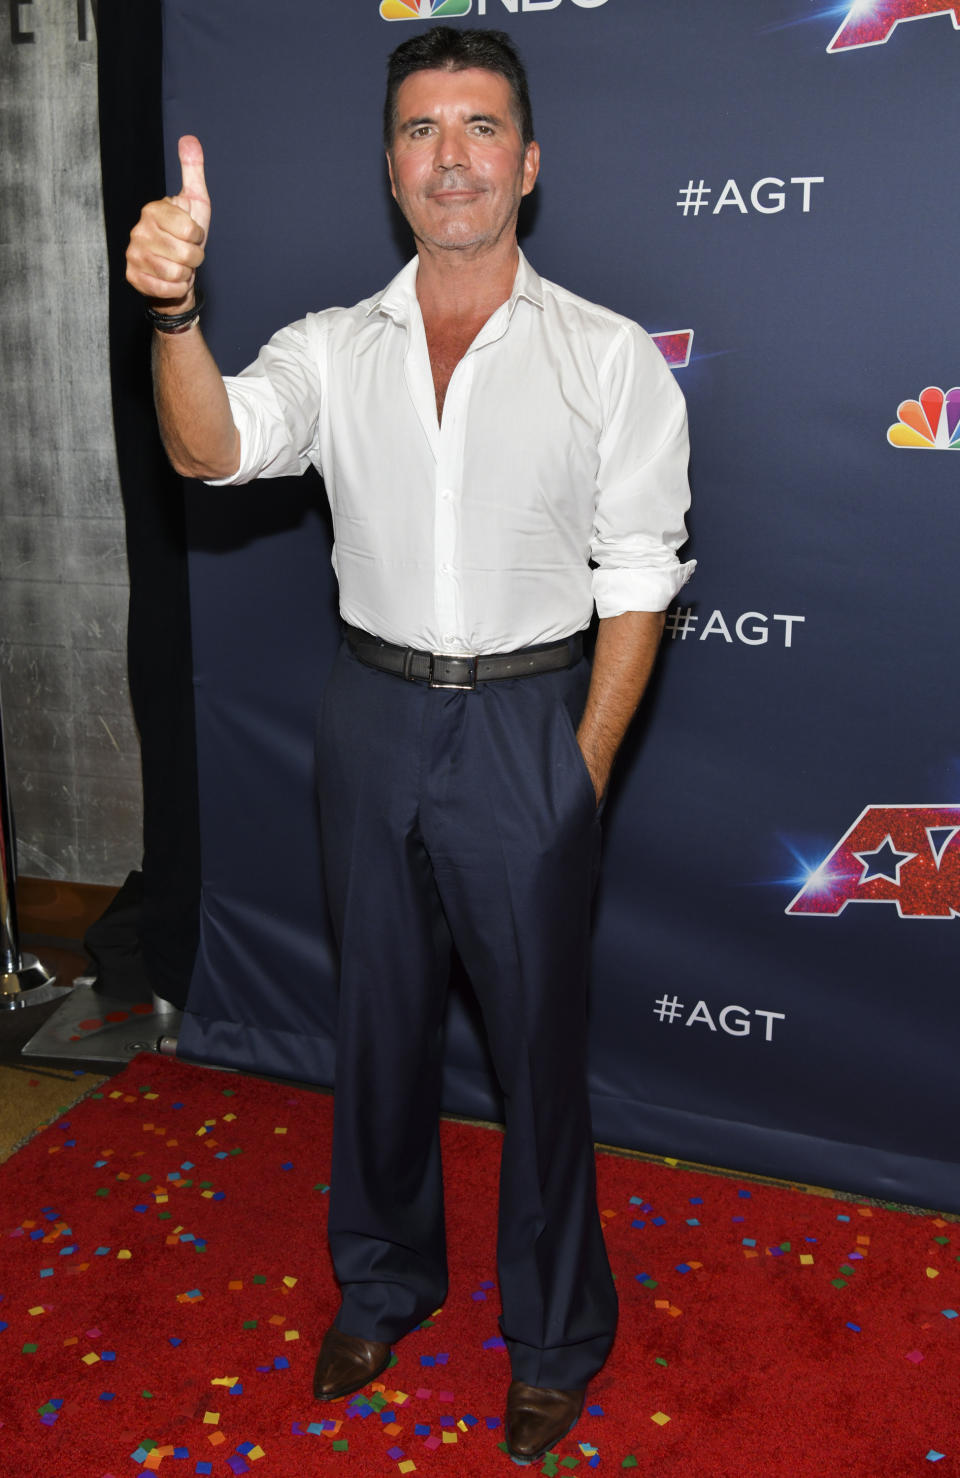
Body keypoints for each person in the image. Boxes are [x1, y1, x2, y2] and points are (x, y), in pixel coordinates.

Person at [125, 26, 694, 1464]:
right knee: (374, 1036)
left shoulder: (610, 359)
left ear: (529, 162)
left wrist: (580, 770)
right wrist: (175, 314)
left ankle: (558, 1335)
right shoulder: (333, 345)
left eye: (481, 127)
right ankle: (382, 1283)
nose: (452, 155)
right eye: (424, 129)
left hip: (528, 725)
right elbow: (208, 447)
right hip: (371, 714)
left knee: (537, 1059)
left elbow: (639, 577)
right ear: (390, 170)